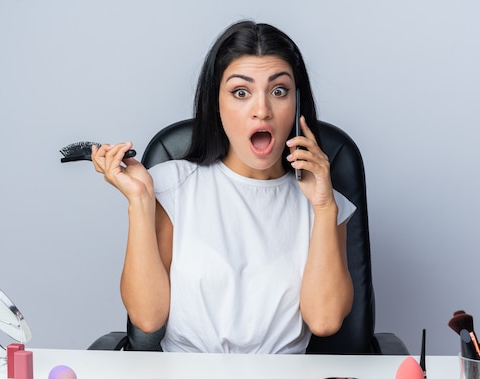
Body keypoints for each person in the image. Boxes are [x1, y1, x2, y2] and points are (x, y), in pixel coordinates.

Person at [92, 20, 355, 353]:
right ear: (216, 105)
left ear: (298, 105)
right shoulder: (172, 186)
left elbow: (325, 321)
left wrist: (324, 207)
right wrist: (140, 202)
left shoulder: (325, 202)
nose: (262, 111)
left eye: (279, 91)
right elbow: (147, 318)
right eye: (241, 92)